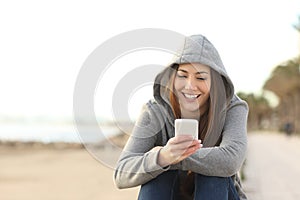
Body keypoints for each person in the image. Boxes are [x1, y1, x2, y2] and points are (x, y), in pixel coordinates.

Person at [114, 34, 248, 200]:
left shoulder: (233, 108)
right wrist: (163, 157)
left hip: (218, 194)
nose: (190, 86)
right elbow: (121, 173)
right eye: (183, 75)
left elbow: (231, 161)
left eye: (200, 78)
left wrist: (175, 157)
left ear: (215, 81)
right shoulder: (154, 111)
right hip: (169, 193)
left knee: (212, 173)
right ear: (172, 76)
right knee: (158, 173)